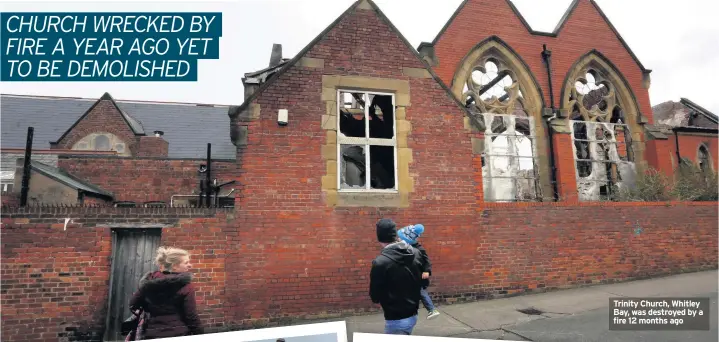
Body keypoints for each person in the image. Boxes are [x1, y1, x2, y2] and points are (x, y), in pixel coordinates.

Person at [128, 246, 204, 339]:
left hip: (151, 333)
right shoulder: (185, 286)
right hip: (178, 334)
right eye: (186, 262)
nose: (190, 265)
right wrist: (201, 335)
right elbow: (191, 316)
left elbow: (133, 304)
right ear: (174, 266)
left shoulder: (148, 282)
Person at [369, 218, 423, 335]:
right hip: (413, 314)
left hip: (396, 319)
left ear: (379, 237)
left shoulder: (380, 263)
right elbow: (422, 282)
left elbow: (375, 296)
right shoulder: (416, 253)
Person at [397, 224, 440, 320]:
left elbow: (426, 261)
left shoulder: (419, 249)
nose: (398, 239)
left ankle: (432, 309)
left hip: (417, 276)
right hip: (407, 276)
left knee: (420, 292)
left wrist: (426, 271)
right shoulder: (402, 248)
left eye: (400, 238)